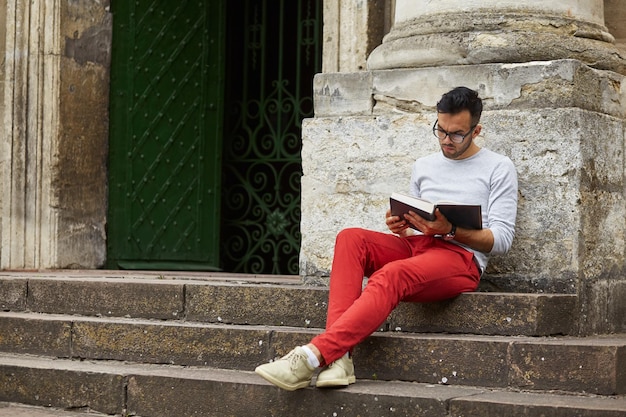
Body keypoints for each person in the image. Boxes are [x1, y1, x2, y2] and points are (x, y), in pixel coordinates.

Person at [254, 86, 518, 391]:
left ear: (476, 130)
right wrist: (402, 224)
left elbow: (502, 240)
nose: (447, 140)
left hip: (460, 259)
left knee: (392, 273)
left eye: (457, 134)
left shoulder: (499, 167)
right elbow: (418, 222)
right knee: (351, 238)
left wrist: (450, 230)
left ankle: (312, 357)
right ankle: (340, 361)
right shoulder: (424, 165)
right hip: (419, 247)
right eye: (441, 131)